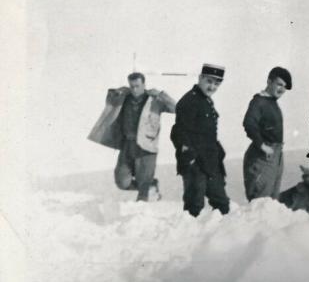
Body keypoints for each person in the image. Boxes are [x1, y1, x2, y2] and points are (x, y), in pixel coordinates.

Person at [87, 72, 176, 201]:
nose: (134, 89)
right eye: (132, 86)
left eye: (137, 86)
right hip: (127, 145)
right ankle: (150, 186)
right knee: (122, 182)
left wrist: (161, 95)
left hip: (146, 146)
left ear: (144, 84)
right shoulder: (124, 98)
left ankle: (145, 196)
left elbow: (177, 108)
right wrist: (118, 90)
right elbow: (110, 98)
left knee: (143, 188)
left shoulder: (155, 100)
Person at [171, 63, 230, 217]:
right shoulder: (189, 101)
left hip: (211, 162)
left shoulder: (206, 101)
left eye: (216, 83)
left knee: (222, 203)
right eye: (209, 81)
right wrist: (188, 155)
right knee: (194, 206)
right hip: (195, 162)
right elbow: (178, 132)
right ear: (200, 78)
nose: (212, 87)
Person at [242, 66, 292, 202]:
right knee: (260, 202)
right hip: (262, 158)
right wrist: (261, 145)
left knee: (271, 203)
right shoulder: (259, 102)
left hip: (276, 155)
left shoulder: (272, 102)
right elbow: (249, 123)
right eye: (279, 84)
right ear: (269, 82)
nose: (282, 89)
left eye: (285, 87)